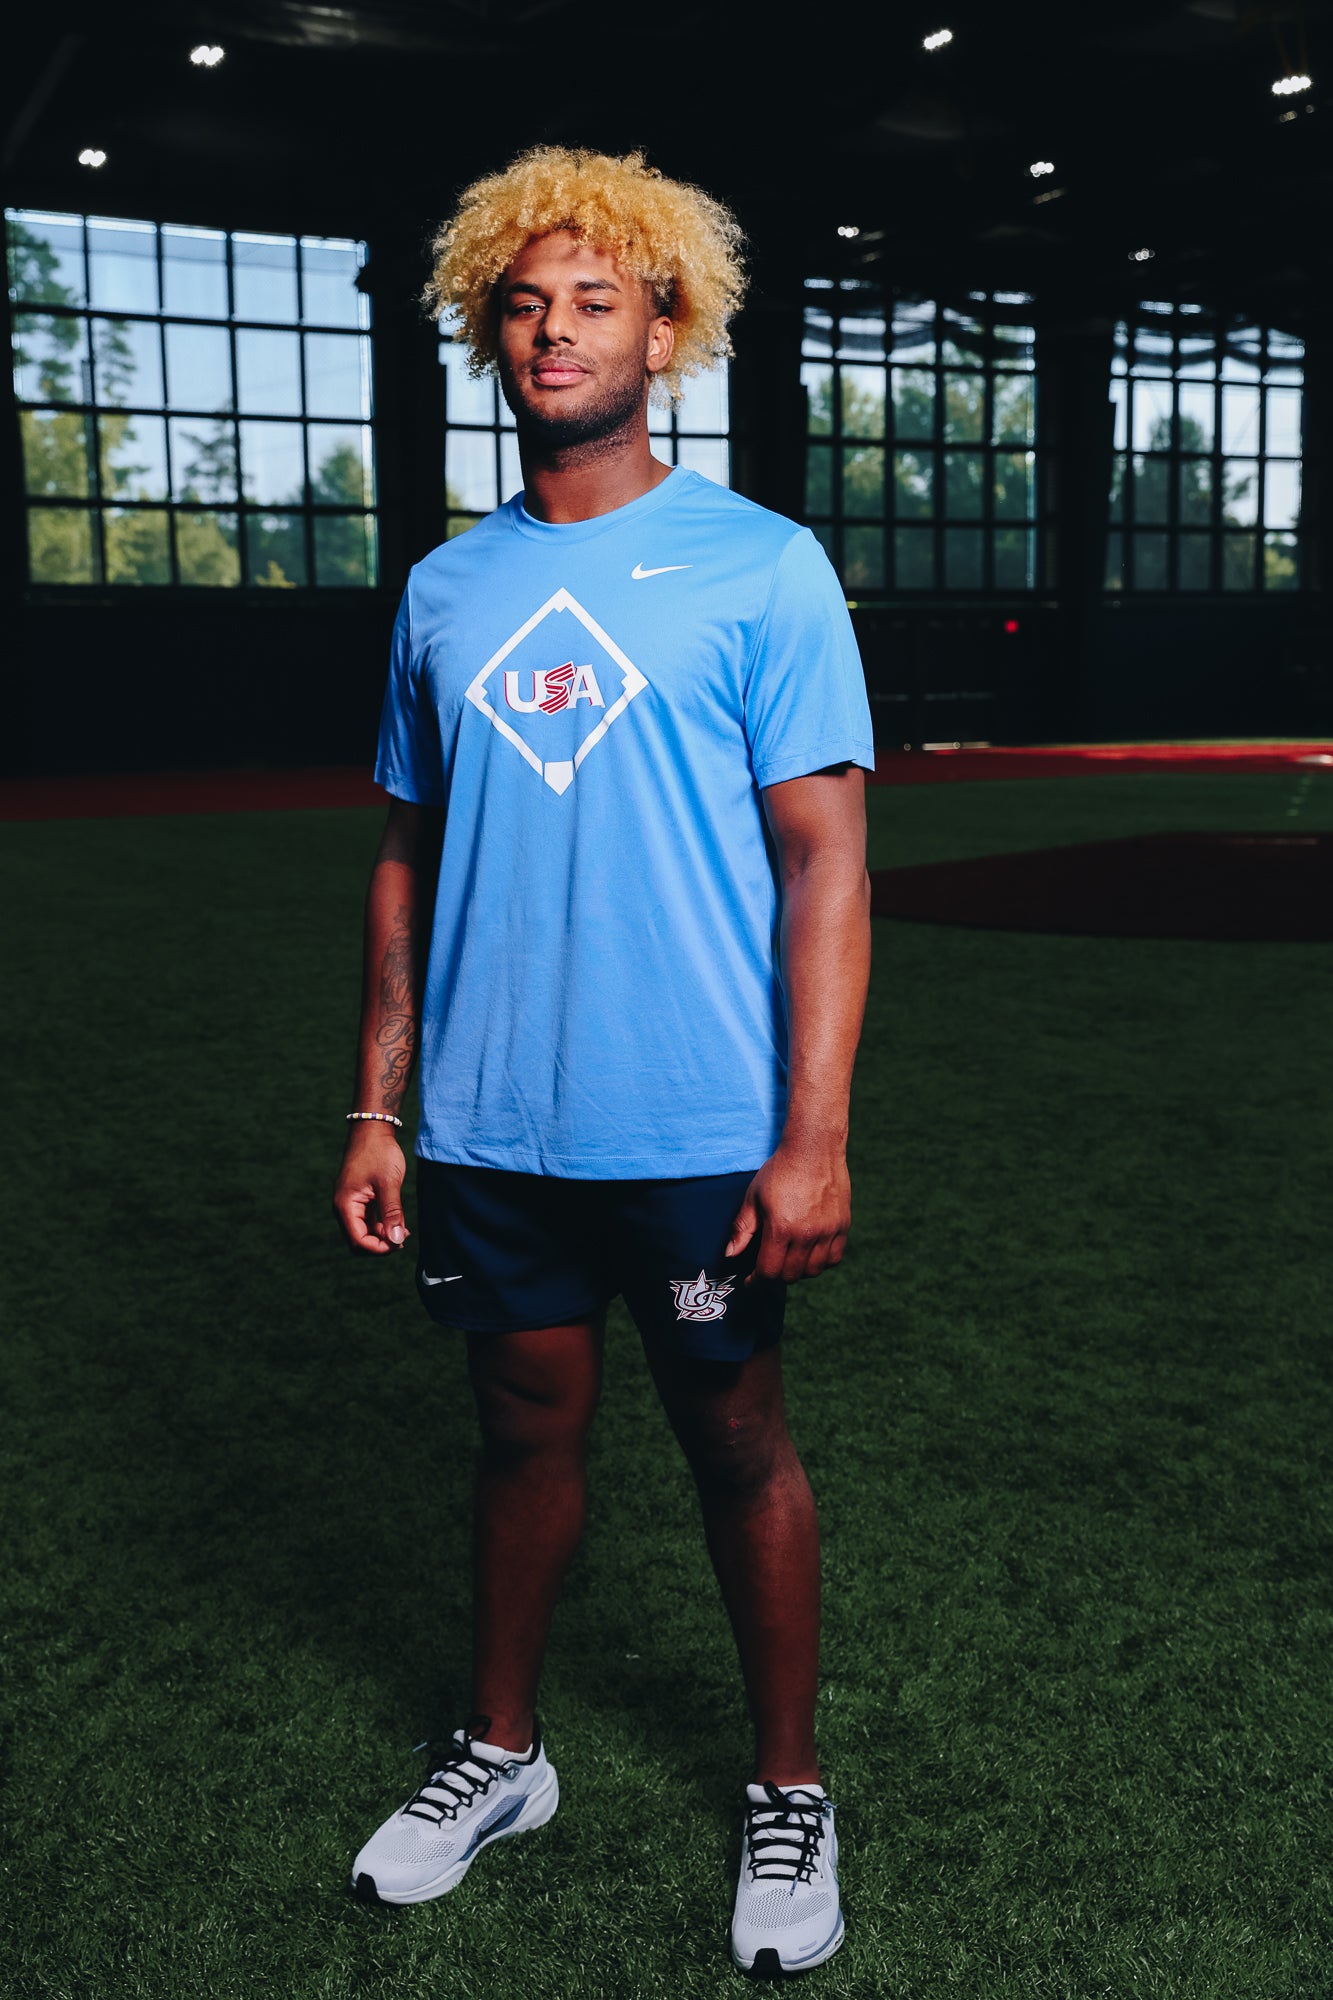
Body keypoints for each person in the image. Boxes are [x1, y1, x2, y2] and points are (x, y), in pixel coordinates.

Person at [332, 144, 873, 1977]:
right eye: (522, 300)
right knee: (517, 1431)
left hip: (699, 1121)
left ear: (668, 323)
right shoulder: (443, 590)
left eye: (594, 299)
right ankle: (501, 1753)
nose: (555, 329)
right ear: (483, 328)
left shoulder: (761, 566)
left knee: (737, 1441)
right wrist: (377, 1105)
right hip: (489, 1124)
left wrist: (812, 1136)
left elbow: (826, 863)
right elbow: (403, 862)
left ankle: (785, 1787)